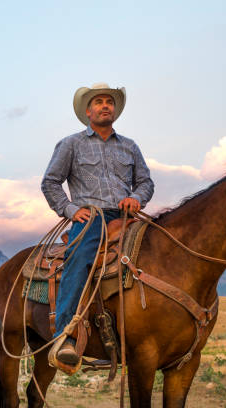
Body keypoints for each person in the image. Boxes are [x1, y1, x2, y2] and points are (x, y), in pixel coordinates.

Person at [41, 83, 154, 365]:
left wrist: (136, 198)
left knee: (158, 252)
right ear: (88, 111)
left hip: (126, 216)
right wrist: (69, 209)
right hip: (90, 217)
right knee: (78, 260)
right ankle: (65, 335)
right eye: (99, 102)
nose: (106, 106)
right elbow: (50, 182)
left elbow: (145, 182)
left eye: (110, 102)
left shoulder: (130, 146)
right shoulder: (71, 144)